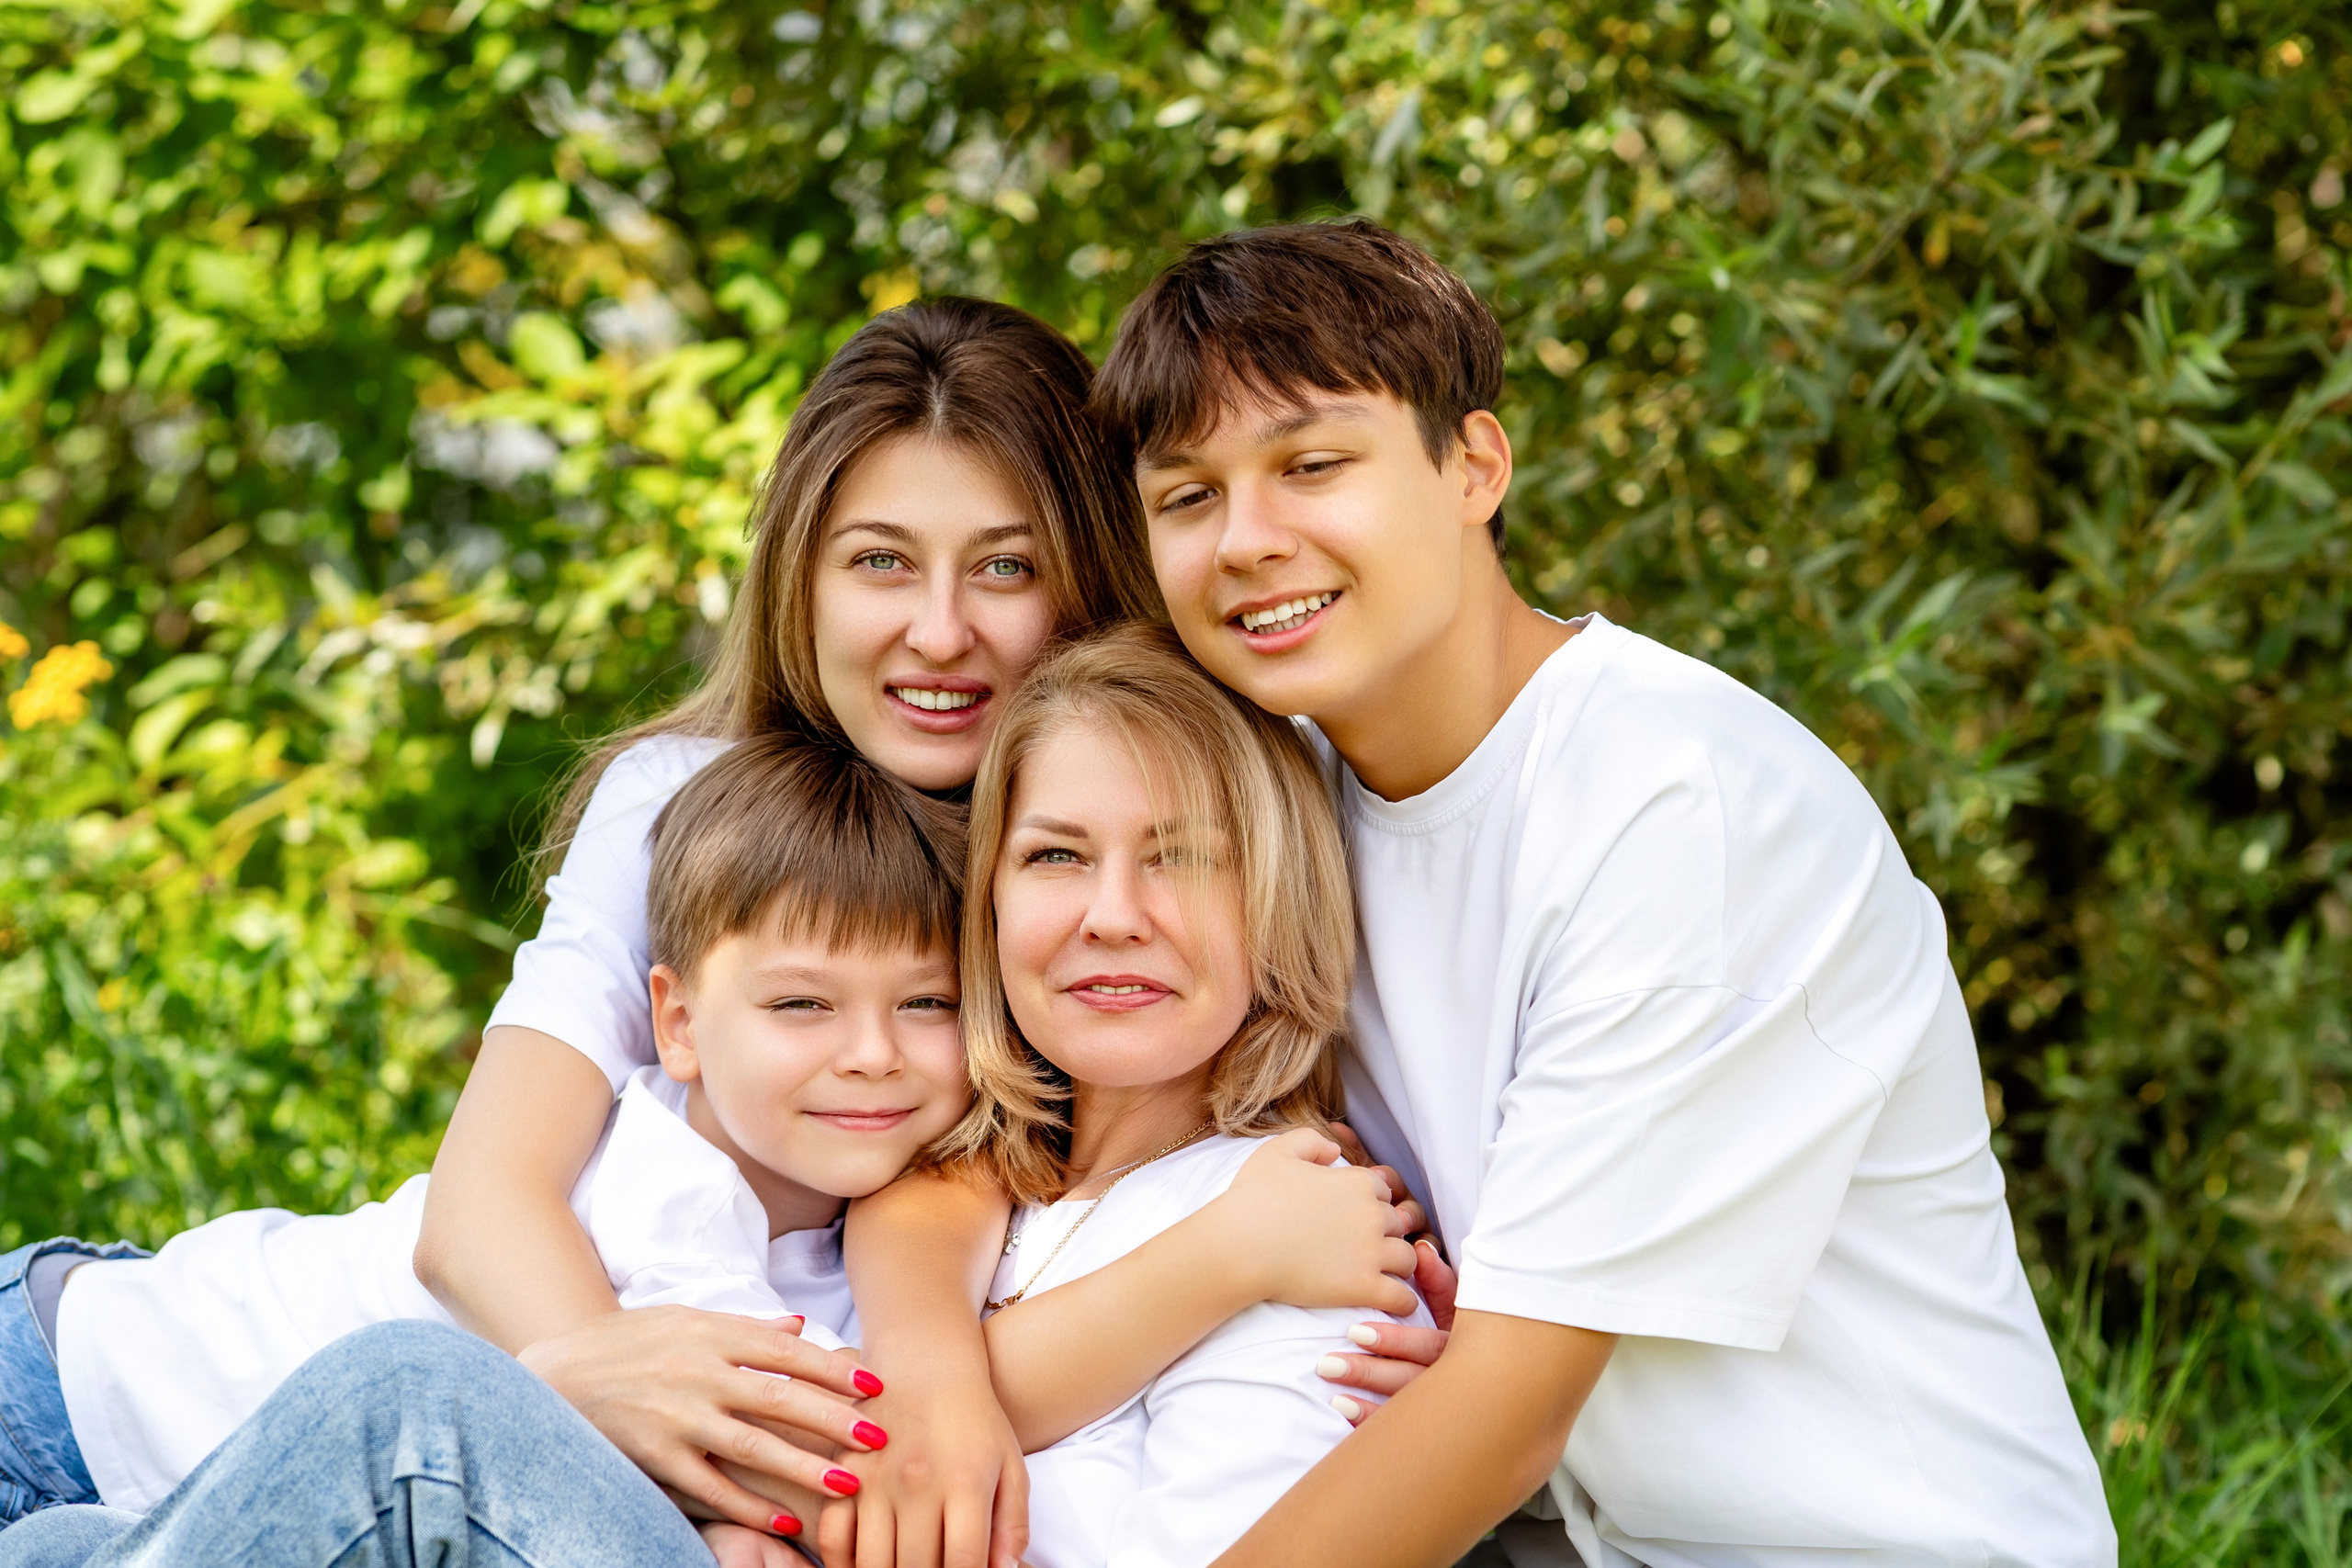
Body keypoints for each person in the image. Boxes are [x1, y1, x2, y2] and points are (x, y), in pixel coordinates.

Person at [1074, 219, 2117, 1566]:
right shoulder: (1283, 796)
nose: (1248, 539)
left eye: (1312, 464)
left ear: (1474, 466)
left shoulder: (1677, 803)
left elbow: (1502, 1412)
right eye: (1188, 496)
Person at [403, 294, 1426, 1564]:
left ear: (1085, 583)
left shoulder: (1111, 864)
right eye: (880, 559)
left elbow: (975, 1164)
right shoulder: (699, 800)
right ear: (804, 577)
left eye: (1007, 565)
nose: (940, 631)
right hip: (257, 1389)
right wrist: (592, 1393)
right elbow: (479, 1206)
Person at [4, 731, 978, 1554]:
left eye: (927, 1003)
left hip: (171, 1502)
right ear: (676, 1024)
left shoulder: (873, 1215)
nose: (870, 1054)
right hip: (63, 1394)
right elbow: (833, 1474)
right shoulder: (669, 1187)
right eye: (802, 1004)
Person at [939, 623, 1431, 1568]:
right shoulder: (919, 1170)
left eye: (1184, 857)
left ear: (1278, 901)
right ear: (989, 893)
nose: (1114, 915)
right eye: (1056, 856)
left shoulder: (1307, 1234)